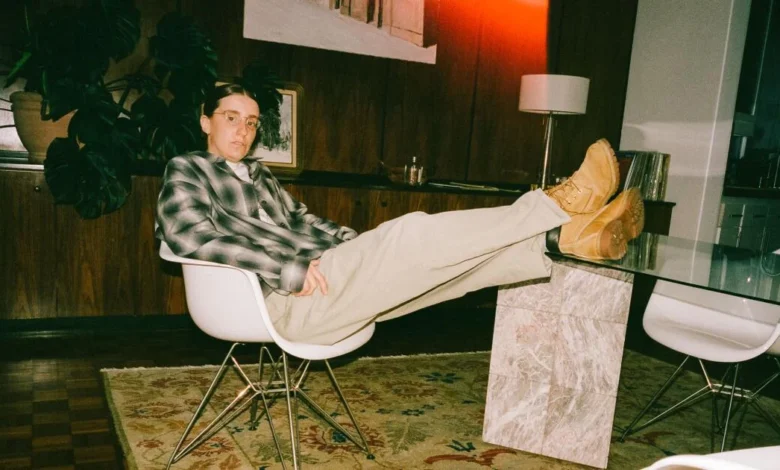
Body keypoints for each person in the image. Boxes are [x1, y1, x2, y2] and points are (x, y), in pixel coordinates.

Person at [156, 84, 644, 345]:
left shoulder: (260, 176)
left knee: (452, 275)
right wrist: (286, 267)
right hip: (280, 303)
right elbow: (189, 237)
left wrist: (356, 243)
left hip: (328, 281)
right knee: (412, 232)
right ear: (205, 121)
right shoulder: (187, 170)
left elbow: (304, 221)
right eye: (231, 118)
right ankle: (559, 203)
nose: (243, 131)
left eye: (251, 122)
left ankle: (561, 239)